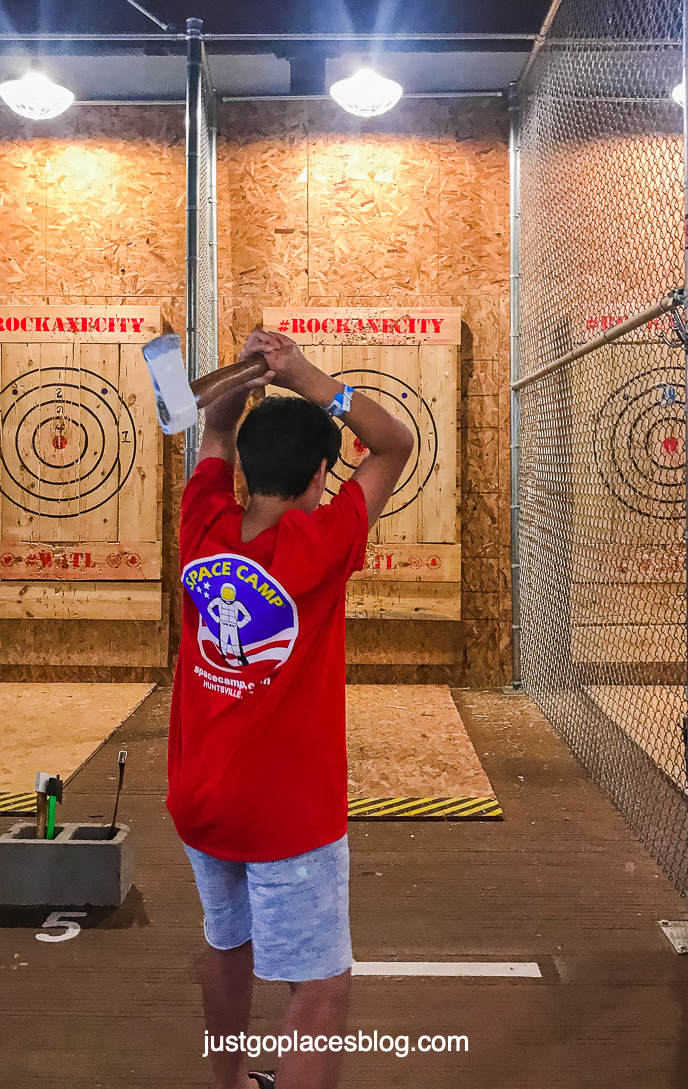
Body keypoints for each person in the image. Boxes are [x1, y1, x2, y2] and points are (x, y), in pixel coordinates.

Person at [167, 327, 414, 1089]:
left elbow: (211, 429)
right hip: (286, 817)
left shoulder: (201, 526)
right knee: (321, 986)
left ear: (245, 471)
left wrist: (237, 388)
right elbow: (394, 444)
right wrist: (301, 373)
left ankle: (230, 1082)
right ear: (317, 479)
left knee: (227, 945)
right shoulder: (320, 542)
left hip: (200, 799)